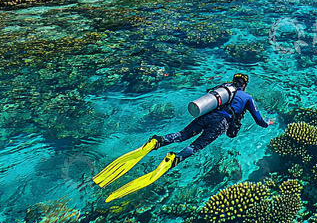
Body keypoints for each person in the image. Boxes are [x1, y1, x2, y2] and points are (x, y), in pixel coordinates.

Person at [92, 73, 273, 202]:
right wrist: (267, 124)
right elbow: (258, 119)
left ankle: (157, 141)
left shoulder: (223, 88)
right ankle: (175, 158)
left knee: (182, 134)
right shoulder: (247, 96)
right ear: (245, 85)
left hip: (206, 115)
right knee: (197, 146)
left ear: (234, 81)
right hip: (221, 123)